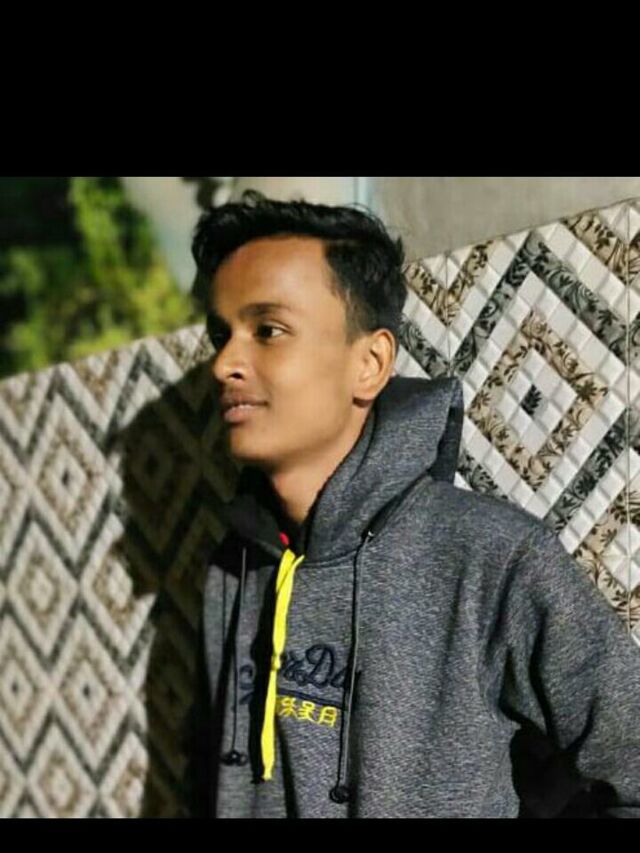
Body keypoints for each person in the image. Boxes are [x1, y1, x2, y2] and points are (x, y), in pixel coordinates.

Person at [183, 190, 640, 818]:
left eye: (268, 330)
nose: (225, 364)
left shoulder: (493, 559)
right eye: (221, 335)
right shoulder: (233, 565)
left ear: (370, 363)